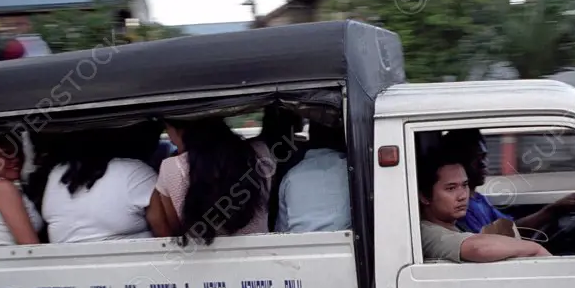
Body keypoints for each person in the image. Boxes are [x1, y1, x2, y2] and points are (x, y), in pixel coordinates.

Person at [147, 117, 274, 245]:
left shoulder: (170, 167)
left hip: (201, 256)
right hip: (260, 251)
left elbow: (175, 226)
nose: (169, 136)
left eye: (167, 128)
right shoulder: (259, 152)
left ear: (180, 131)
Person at [441, 128, 575, 234]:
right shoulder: (462, 208)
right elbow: (507, 236)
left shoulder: (478, 199)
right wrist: (552, 211)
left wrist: (554, 209)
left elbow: (510, 227)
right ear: (458, 164)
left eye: (484, 157)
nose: (483, 164)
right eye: (475, 159)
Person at [418, 146, 551, 263]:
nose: (463, 195)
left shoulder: (454, 224)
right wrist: (535, 249)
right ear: (425, 196)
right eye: (451, 188)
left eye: (464, 185)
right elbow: (479, 248)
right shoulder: (426, 233)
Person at [41, 124, 160, 243]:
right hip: (136, 258)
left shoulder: (56, 174)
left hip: (65, 260)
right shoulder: (136, 171)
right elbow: (165, 236)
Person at [275, 119, 351, 233]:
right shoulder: (350, 169)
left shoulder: (290, 176)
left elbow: (281, 230)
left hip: (297, 247)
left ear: (310, 141)